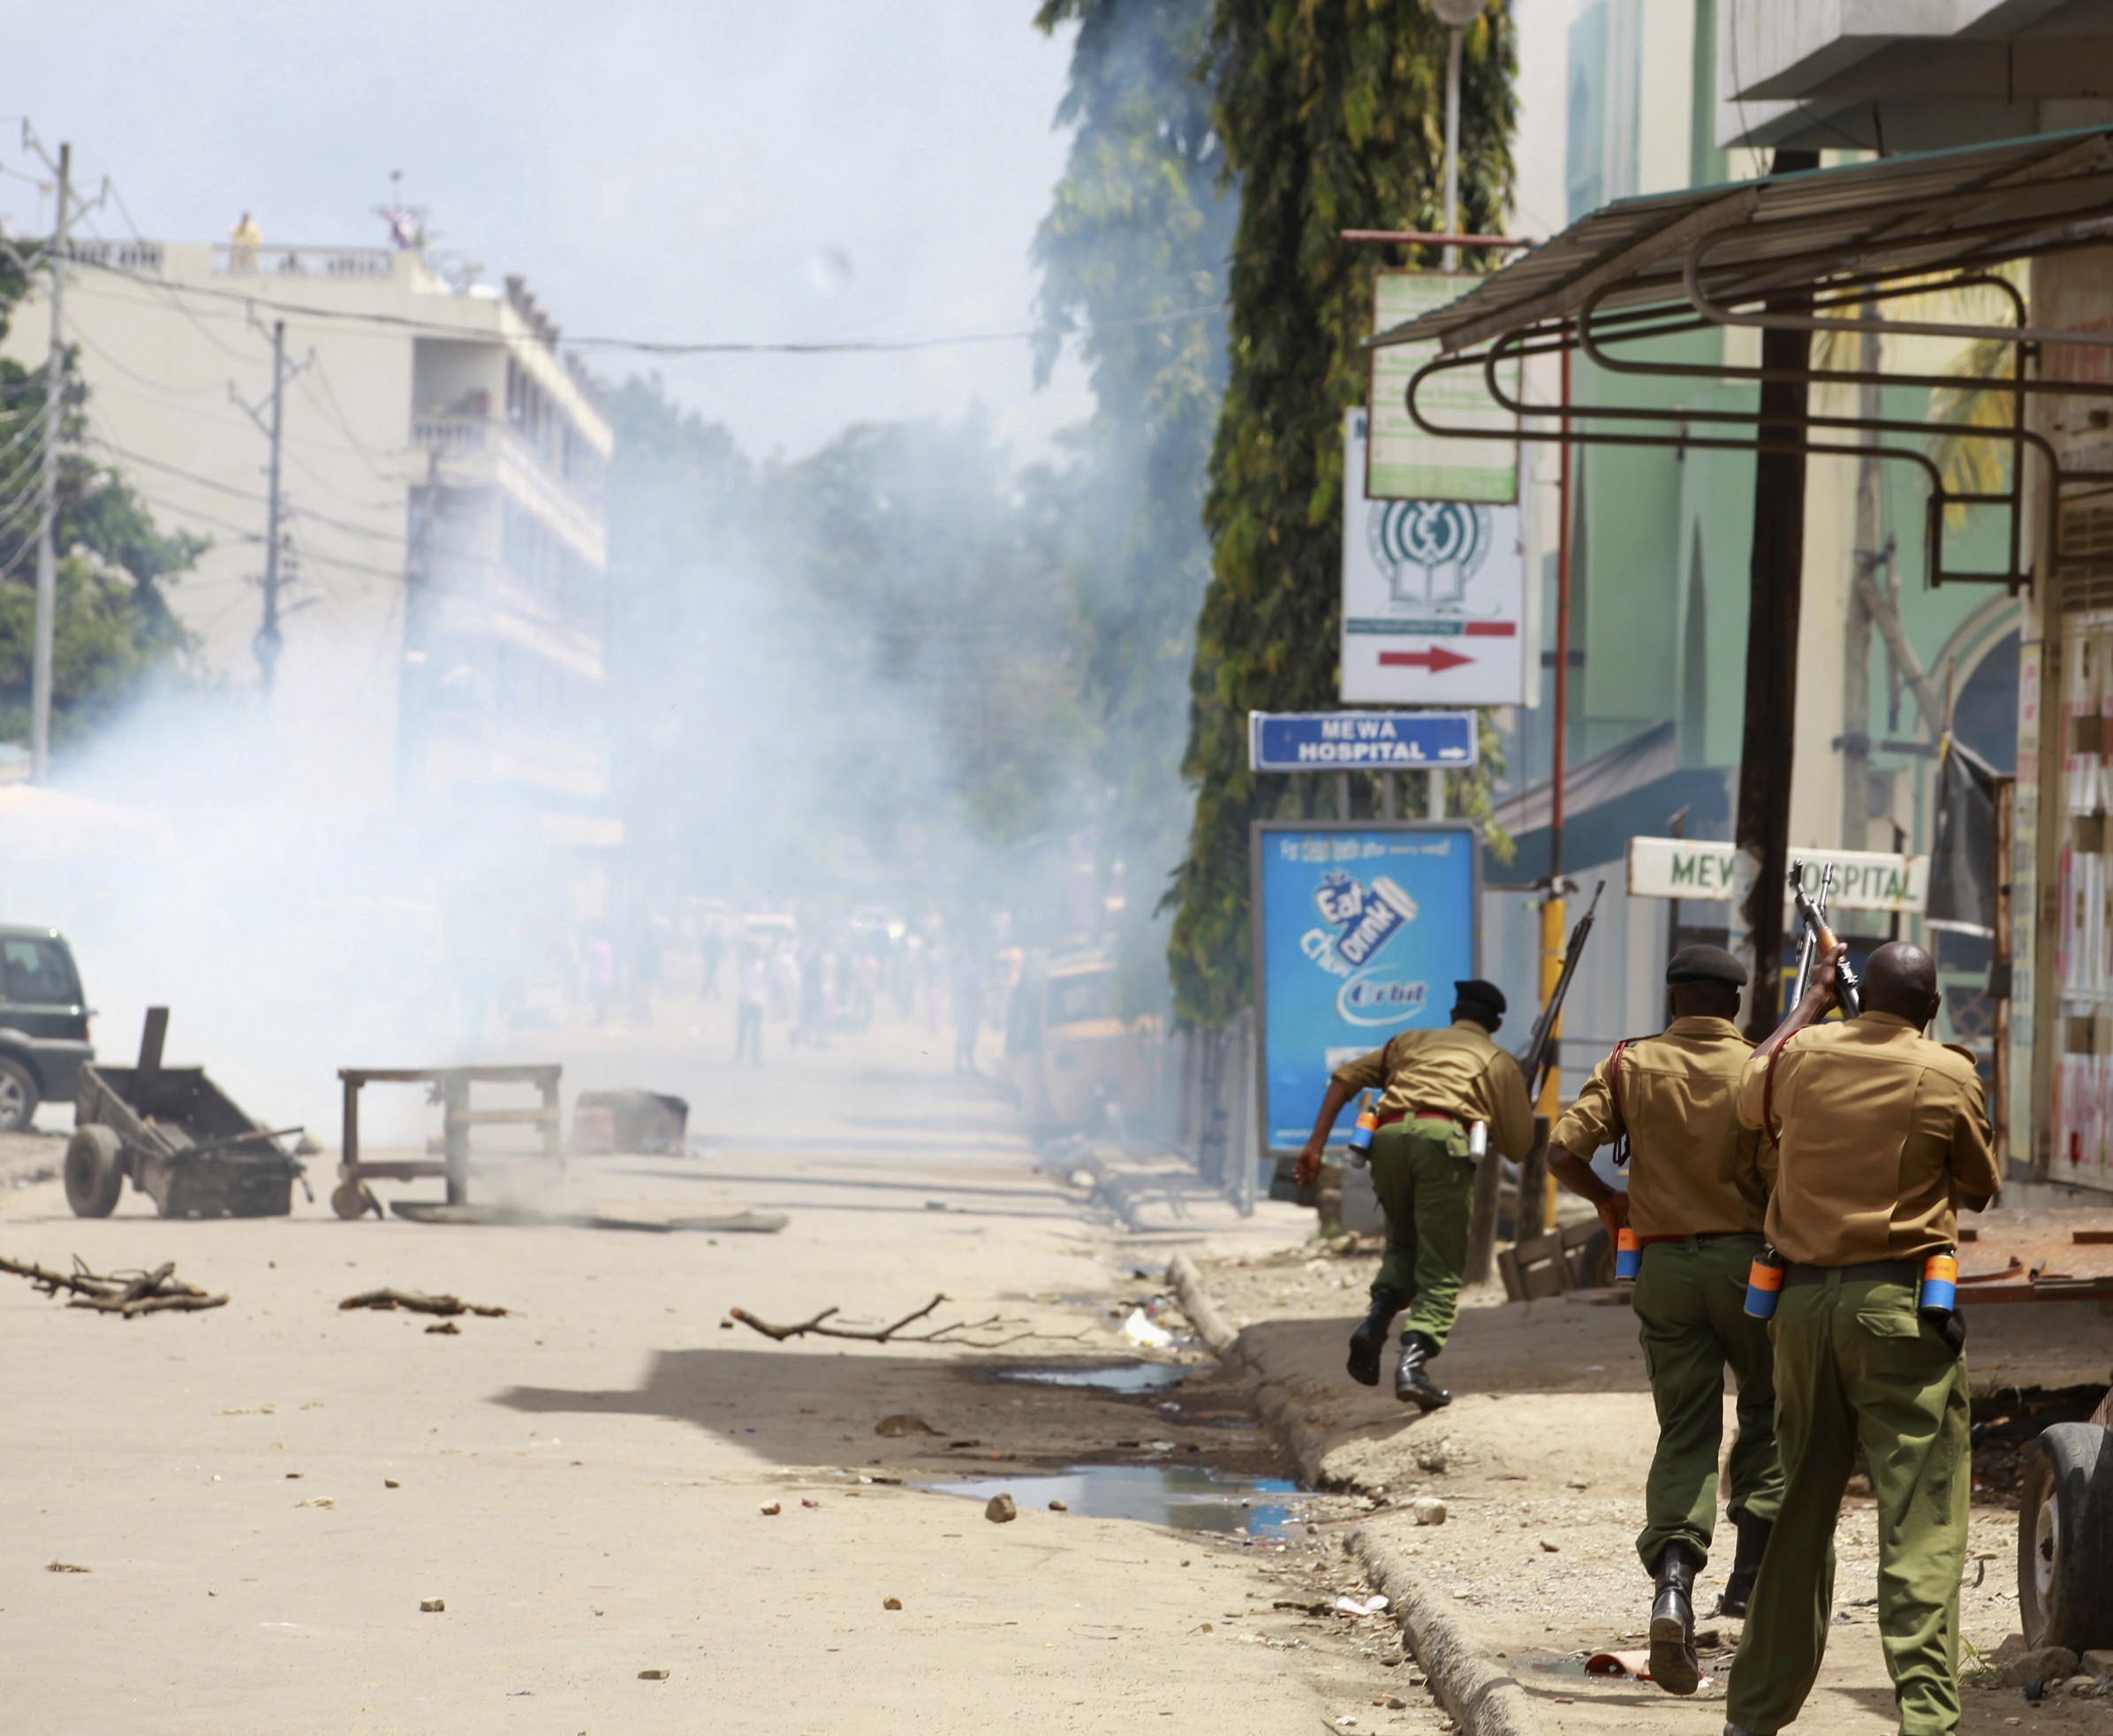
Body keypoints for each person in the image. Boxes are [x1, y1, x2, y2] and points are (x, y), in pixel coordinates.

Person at [1723, 941, 1999, 1736]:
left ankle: (1753, 1716)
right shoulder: (1947, 1070)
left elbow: (1747, 1091)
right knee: (1919, 1518)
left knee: (1799, 1513)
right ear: (1933, 1006)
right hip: (1900, 1309)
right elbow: (1979, 1186)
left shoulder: (1803, 1055)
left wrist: (1811, 1001)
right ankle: (1926, 1718)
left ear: (1859, 995)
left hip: (1801, 1308)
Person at [1545, 944, 1781, 1696]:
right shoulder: (1762, 1067)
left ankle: (1673, 1587)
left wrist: (1608, 1200)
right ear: (1733, 1003)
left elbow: (1562, 1150)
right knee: (1770, 1407)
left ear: (1673, 999)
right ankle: (1749, 1578)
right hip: (1752, 1269)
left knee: (1685, 1427)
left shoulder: (1628, 1064)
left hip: (1666, 1268)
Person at [1294, 980, 1532, 1409]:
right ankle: (1413, 1365)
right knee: (1441, 1265)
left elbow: (1346, 1078)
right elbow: (1518, 1147)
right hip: (1441, 1142)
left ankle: (1374, 1323)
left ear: (1453, 1015)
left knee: (1403, 1244)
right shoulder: (1499, 1061)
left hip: (1386, 1140)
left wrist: (1314, 1146)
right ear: (1495, 1025)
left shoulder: (1408, 1041)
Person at [734, 947, 766, 1065]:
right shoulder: (744, 966)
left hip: (758, 1001)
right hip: (745, 1000)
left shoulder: (762, 966)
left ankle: (755, 1056)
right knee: (742, 1030)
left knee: (756, 1031)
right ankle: (739, 1055)